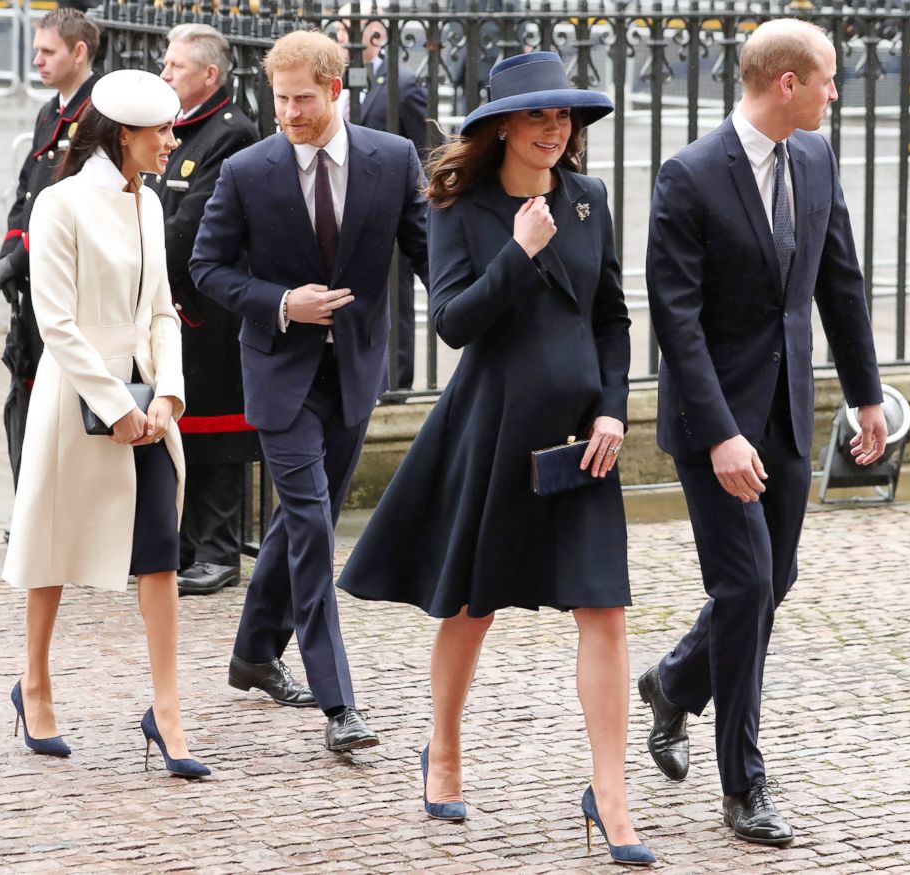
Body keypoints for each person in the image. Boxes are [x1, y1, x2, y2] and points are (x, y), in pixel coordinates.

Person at [337, 52, 655, 866]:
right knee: (471, 605)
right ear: (504, 126)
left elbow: (612, 317)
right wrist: (517, 250)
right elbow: (451, 322)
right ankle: (441, 749)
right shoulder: (458, 204)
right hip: (499, 429)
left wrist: (615, 407)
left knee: (605, 609)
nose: (556, 131)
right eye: (540, 117)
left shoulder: (589, 200)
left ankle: (609, 794)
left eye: (565, 118)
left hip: (585, 437)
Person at [642, 18, 887, 846]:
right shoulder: (689, 175)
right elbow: (675, 321)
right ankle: (744, 784)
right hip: (713, 420)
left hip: (786, 409)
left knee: (770, 581)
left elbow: (838, 282)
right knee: (745, 586)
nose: (834, 91)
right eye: (827, 78)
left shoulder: (813, 157)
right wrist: (718, 434)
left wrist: (866, 397)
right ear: (787, 82)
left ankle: (674, 682)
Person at [190, 29, 429, 751]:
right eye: (280, 99)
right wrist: (282, 301)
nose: (289, 112)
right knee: (315, 527)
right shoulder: (247, 170)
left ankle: (253, 652)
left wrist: (490, 301)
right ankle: (339, 705)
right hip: (278, 371)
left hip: (354, 373)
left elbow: (429, 254)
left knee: (300, 524)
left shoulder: (392, 159)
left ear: (334, 91)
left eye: (302, 99)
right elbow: (207, 267)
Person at [2, 69, 210, 779]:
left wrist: (166, 396)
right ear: (125, 135)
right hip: (75, 402)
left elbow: (160, 310)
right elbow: (53, 321)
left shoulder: (150, 202)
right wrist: (115, 405)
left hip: (146, 400)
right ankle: (33, 684)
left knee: (159, 552)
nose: (172, 141)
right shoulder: (59, 204)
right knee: (52, 552)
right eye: (162, 131)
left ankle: (168, 709)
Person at [148, 24, 261, 596]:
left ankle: (218, 548)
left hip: (208, 305)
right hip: (175, 299)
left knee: (216, 427)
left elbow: (189, 224)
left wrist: (144, 265)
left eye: (175, 66)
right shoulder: (178, 130)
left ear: (209, 75)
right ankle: (188, 542)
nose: (164, 74)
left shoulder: (230, 133)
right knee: (182, 423)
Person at [0, 9, 99, 489]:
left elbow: (75, 203)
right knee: (27, 394)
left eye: (47, 51)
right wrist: (10, 249)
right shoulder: (50, 110)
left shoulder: (96, 115)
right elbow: (27, 191)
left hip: (67, 281)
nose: (36, 60)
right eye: (36, 50)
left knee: (61, 403)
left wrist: (24, 256)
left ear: (79, 52)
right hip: (33, 281)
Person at [336, 11, 442, 390]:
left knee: (395, 299)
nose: (342, 37)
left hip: (388, 212)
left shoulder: (404, 83)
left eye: (350, 30)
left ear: (376, 33)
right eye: (339, 30)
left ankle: (395, 382)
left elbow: (429, 153)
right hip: (342, 214)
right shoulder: (337, 82)